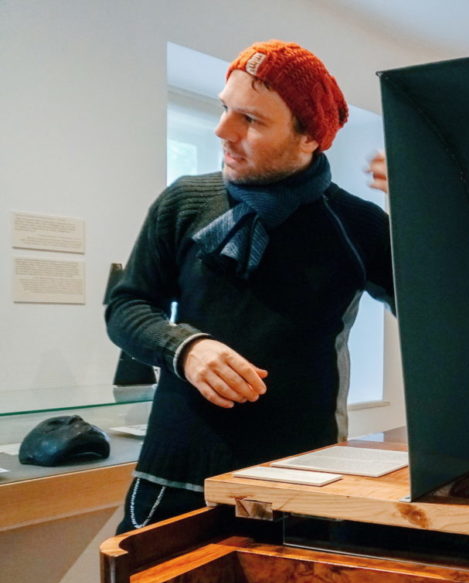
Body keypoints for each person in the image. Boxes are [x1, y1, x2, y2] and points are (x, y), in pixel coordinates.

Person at [107, 40, 393, 533]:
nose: (222, 130)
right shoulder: (184, 201)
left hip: (299, 478)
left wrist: (425, 210)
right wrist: (185, 349)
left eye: (251, 120)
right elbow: (126, 306)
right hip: (175, 472)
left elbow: (440, 314)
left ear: (309, 138)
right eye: (225, 109)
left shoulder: (357, 224)